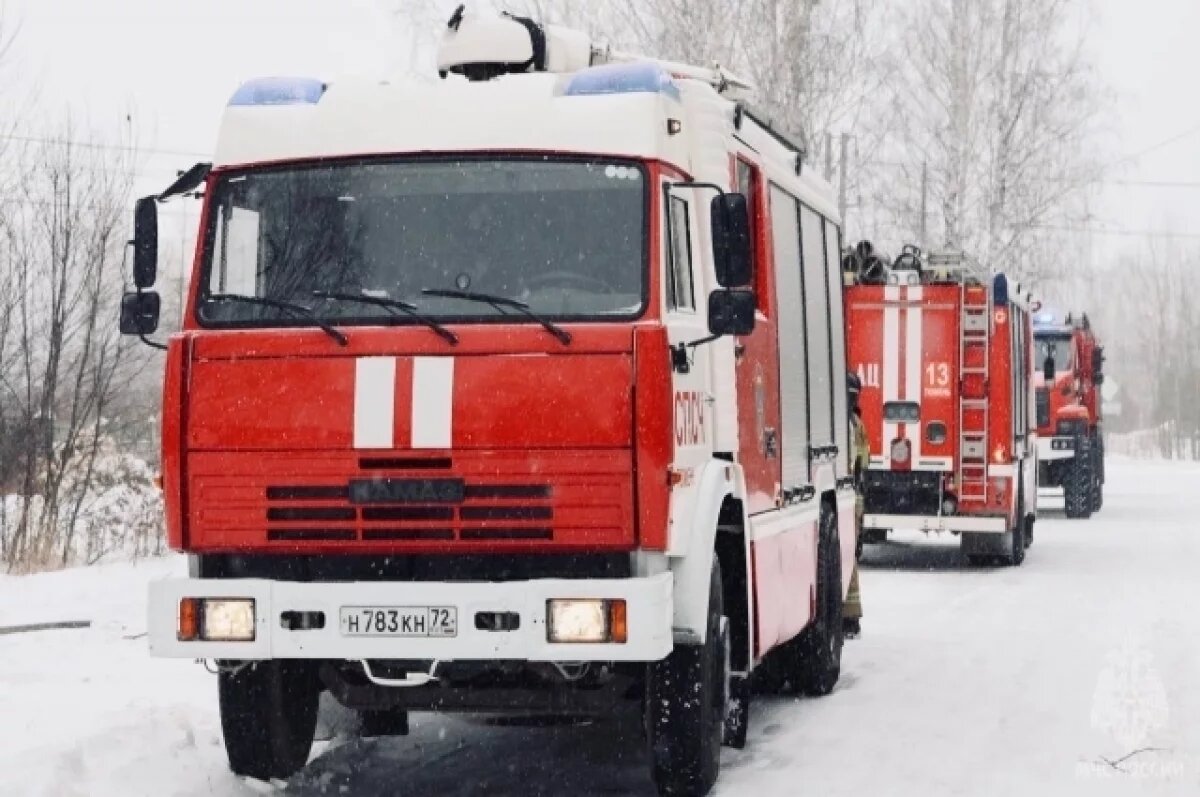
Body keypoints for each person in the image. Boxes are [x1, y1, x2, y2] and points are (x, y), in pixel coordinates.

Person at [843, 372, 869, 637]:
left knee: (845, 558)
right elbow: (864, 463)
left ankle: (849, 618)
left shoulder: (843, 423)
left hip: (846, 497)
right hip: (854, 496)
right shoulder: (857, 424)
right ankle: (850, 618)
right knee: (848, 558)